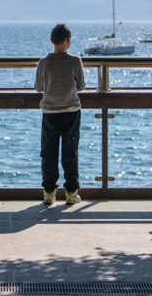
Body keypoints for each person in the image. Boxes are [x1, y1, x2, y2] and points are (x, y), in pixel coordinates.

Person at [34, 23, 86, 205]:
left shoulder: (43, 63)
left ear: (51, 41)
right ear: (68, 41)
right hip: (71, 111)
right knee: (70, 153)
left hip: (50, 112)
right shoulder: (75, 61)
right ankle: (71, 193)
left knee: (49, 153)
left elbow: (38, 87)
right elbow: (80, 86)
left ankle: (49, 192)